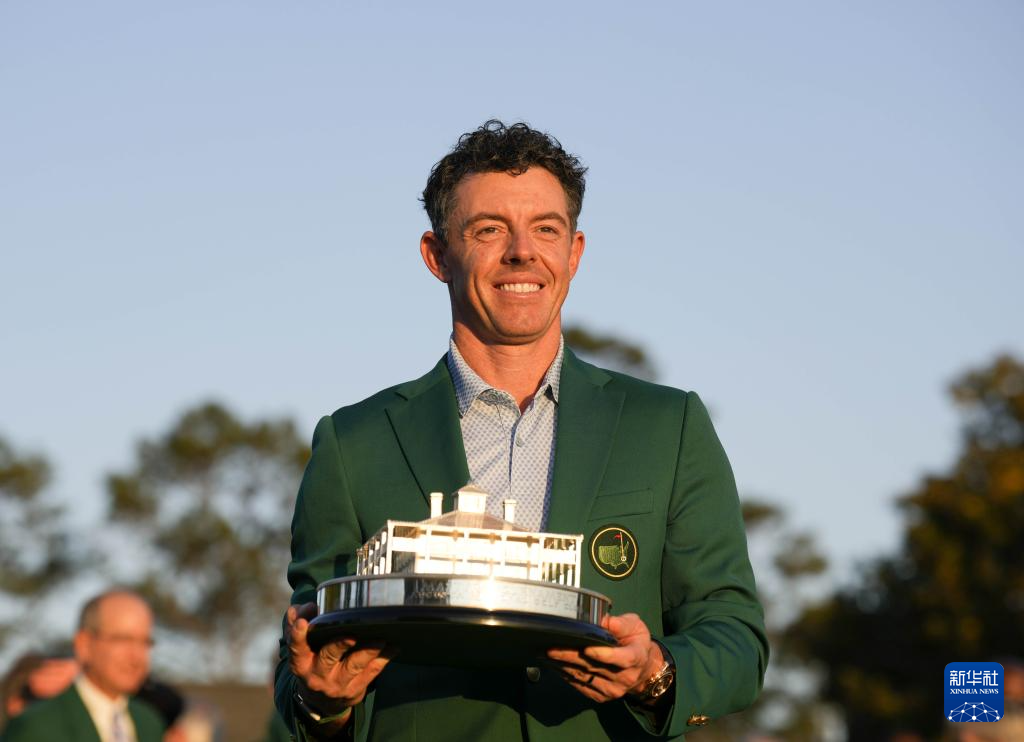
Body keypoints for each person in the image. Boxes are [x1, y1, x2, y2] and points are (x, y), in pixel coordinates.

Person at [275, 120, 769, 741]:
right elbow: (302, 660)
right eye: (489, 229)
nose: (521, 252)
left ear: (574, 252)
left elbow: (734, 636)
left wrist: (655, 673)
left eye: (546, 229)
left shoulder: (669, 427)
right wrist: (322, 703)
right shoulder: (353, 444)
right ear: (436, 255)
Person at [2, 589, 165, 741]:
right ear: (84, 644)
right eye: (122, 640)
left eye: (146, 643)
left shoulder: (149, 724)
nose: (136, 656)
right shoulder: (38, 724)